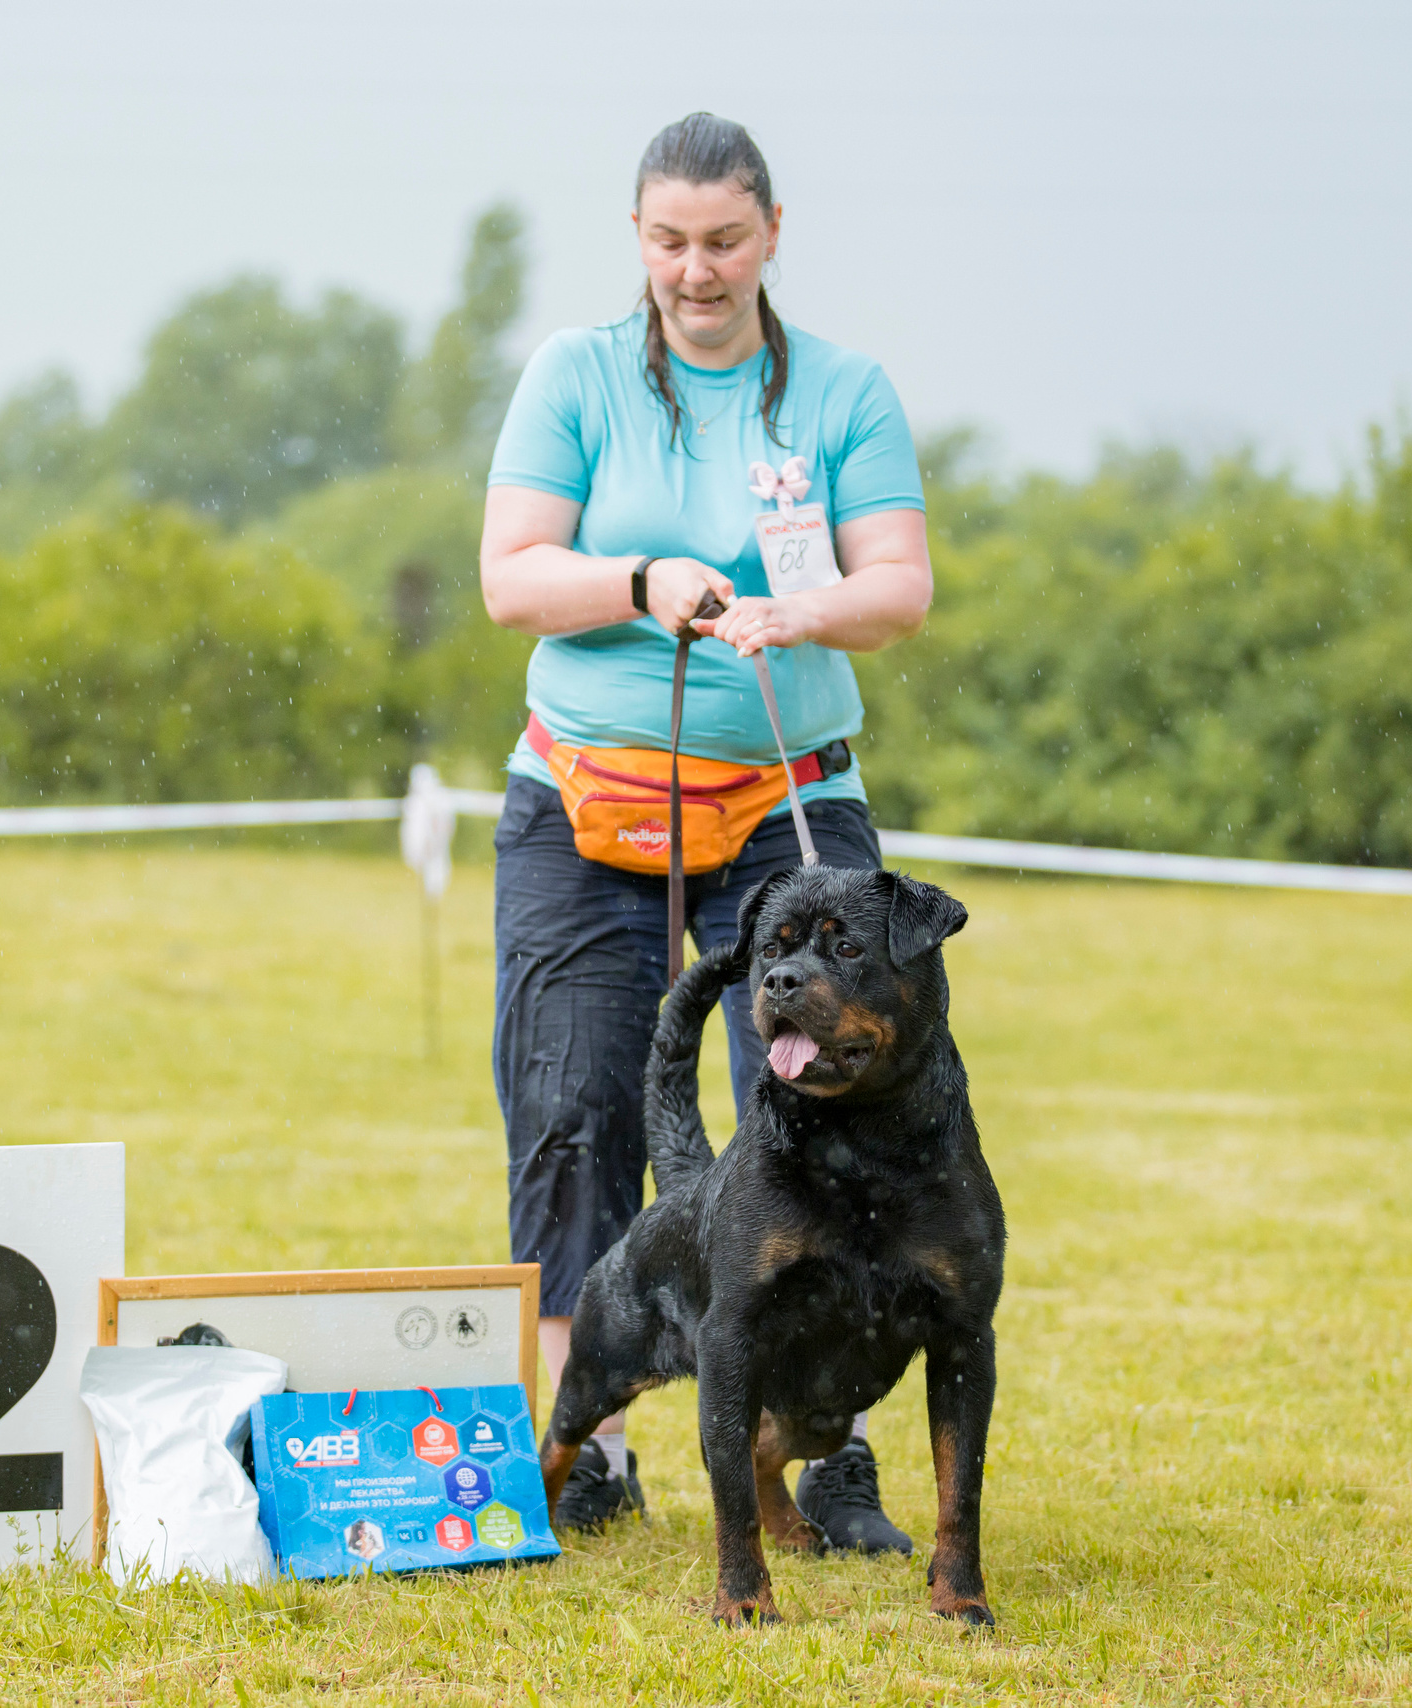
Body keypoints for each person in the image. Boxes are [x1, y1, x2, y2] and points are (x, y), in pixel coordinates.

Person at [480, 113, 933, 1552]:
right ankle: (592, 1445)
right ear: (638, 241)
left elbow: (902, 586)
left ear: (774, 233)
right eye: (670, 241)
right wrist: (641, 580)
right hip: (583, 799)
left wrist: (797, 611)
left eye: (724, 240)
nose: (696, 269)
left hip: (788, 806)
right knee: (576, 1108)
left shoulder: (846, 391)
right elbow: (512, 578)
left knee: (824, 1115)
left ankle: (826, 1442)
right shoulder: (576, 375)